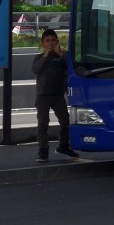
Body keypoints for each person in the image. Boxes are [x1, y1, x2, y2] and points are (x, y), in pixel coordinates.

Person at [31, 28, 78, 161]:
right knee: (43, 123)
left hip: (58, 95)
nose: (50, 43)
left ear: (57, 42)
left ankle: (63, 145)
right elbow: (35, 69)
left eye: (53, 40)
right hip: (43, 95)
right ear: (42, 44)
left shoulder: (63, 56)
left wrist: (61, 54)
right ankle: (43, 150)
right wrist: (46, 55)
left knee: (65, 120)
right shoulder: (39, 57)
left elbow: (72, 67)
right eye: (47, 41)